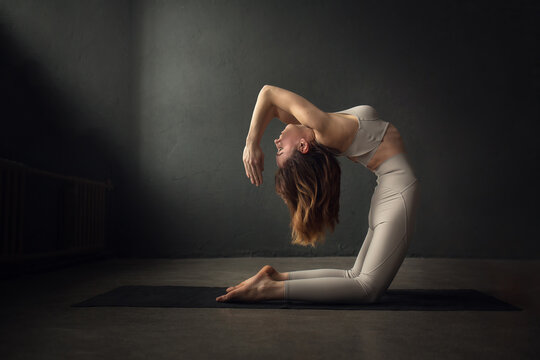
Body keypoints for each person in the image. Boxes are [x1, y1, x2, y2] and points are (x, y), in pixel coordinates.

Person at [216, 85, 420, 304]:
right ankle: (268, 289)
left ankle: (275, 278)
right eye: (280, 150)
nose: (276, 142)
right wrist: (251, 143)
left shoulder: (317, 128)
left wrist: (253, 142)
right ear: (303, 146)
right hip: (400, 190)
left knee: (354, 276)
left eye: (278, 149)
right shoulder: (324, 127)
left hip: (388, 190)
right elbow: (268, 93)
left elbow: (273, 108)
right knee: (366, 288)